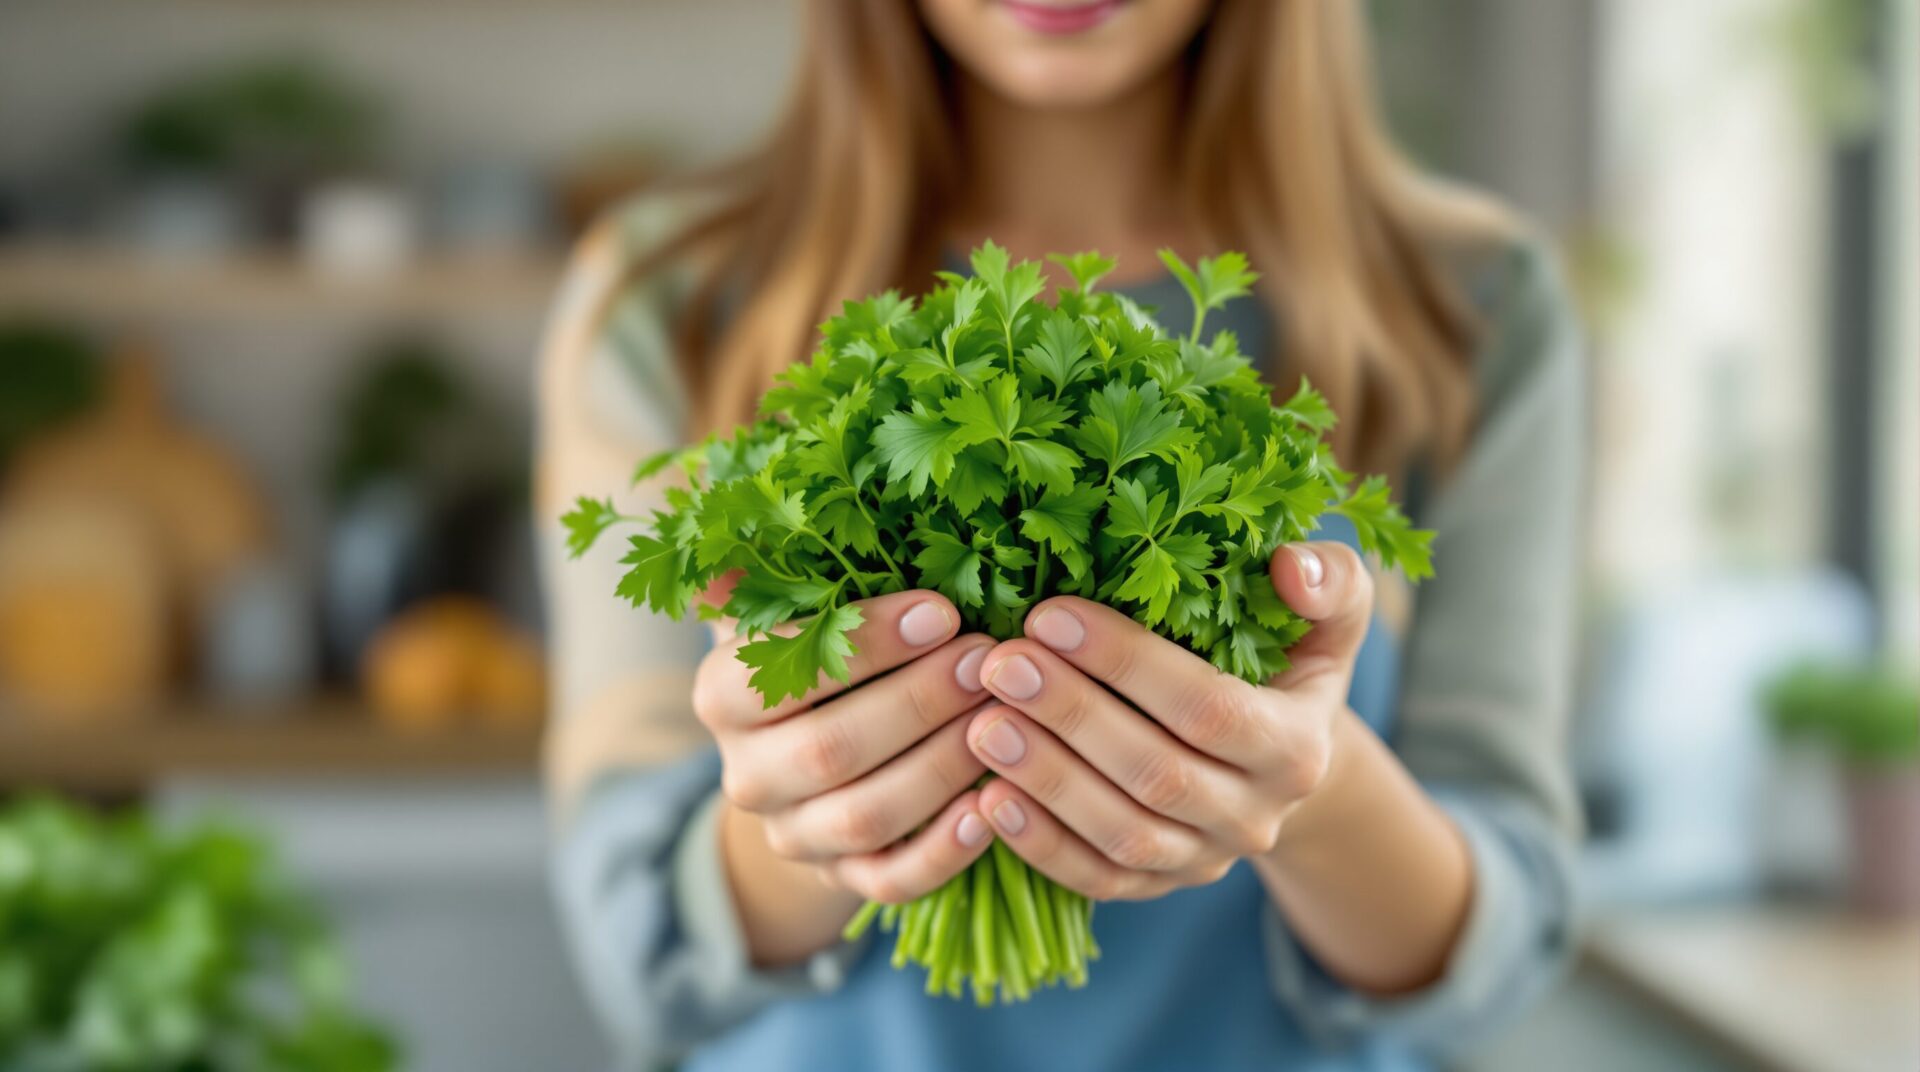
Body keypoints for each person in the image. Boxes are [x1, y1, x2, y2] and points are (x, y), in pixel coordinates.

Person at [536, 2, 1585, 1069]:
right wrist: (818, 815)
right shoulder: (675, 293)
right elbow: (637, 945)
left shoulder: (1464, 308)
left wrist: (1307, 790)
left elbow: (1503, 947)